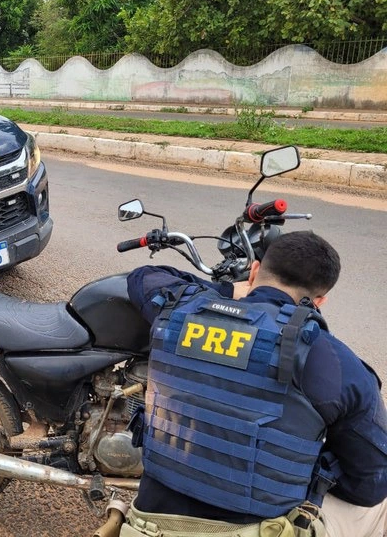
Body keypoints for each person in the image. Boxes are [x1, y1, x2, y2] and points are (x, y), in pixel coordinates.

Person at [121, 230, 387, 537]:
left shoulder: (178, 309)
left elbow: (144, 276)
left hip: (148, 526)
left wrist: (224, 290)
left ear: (256, 270)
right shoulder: (336, 362)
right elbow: (370, 484)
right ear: (319, 300)